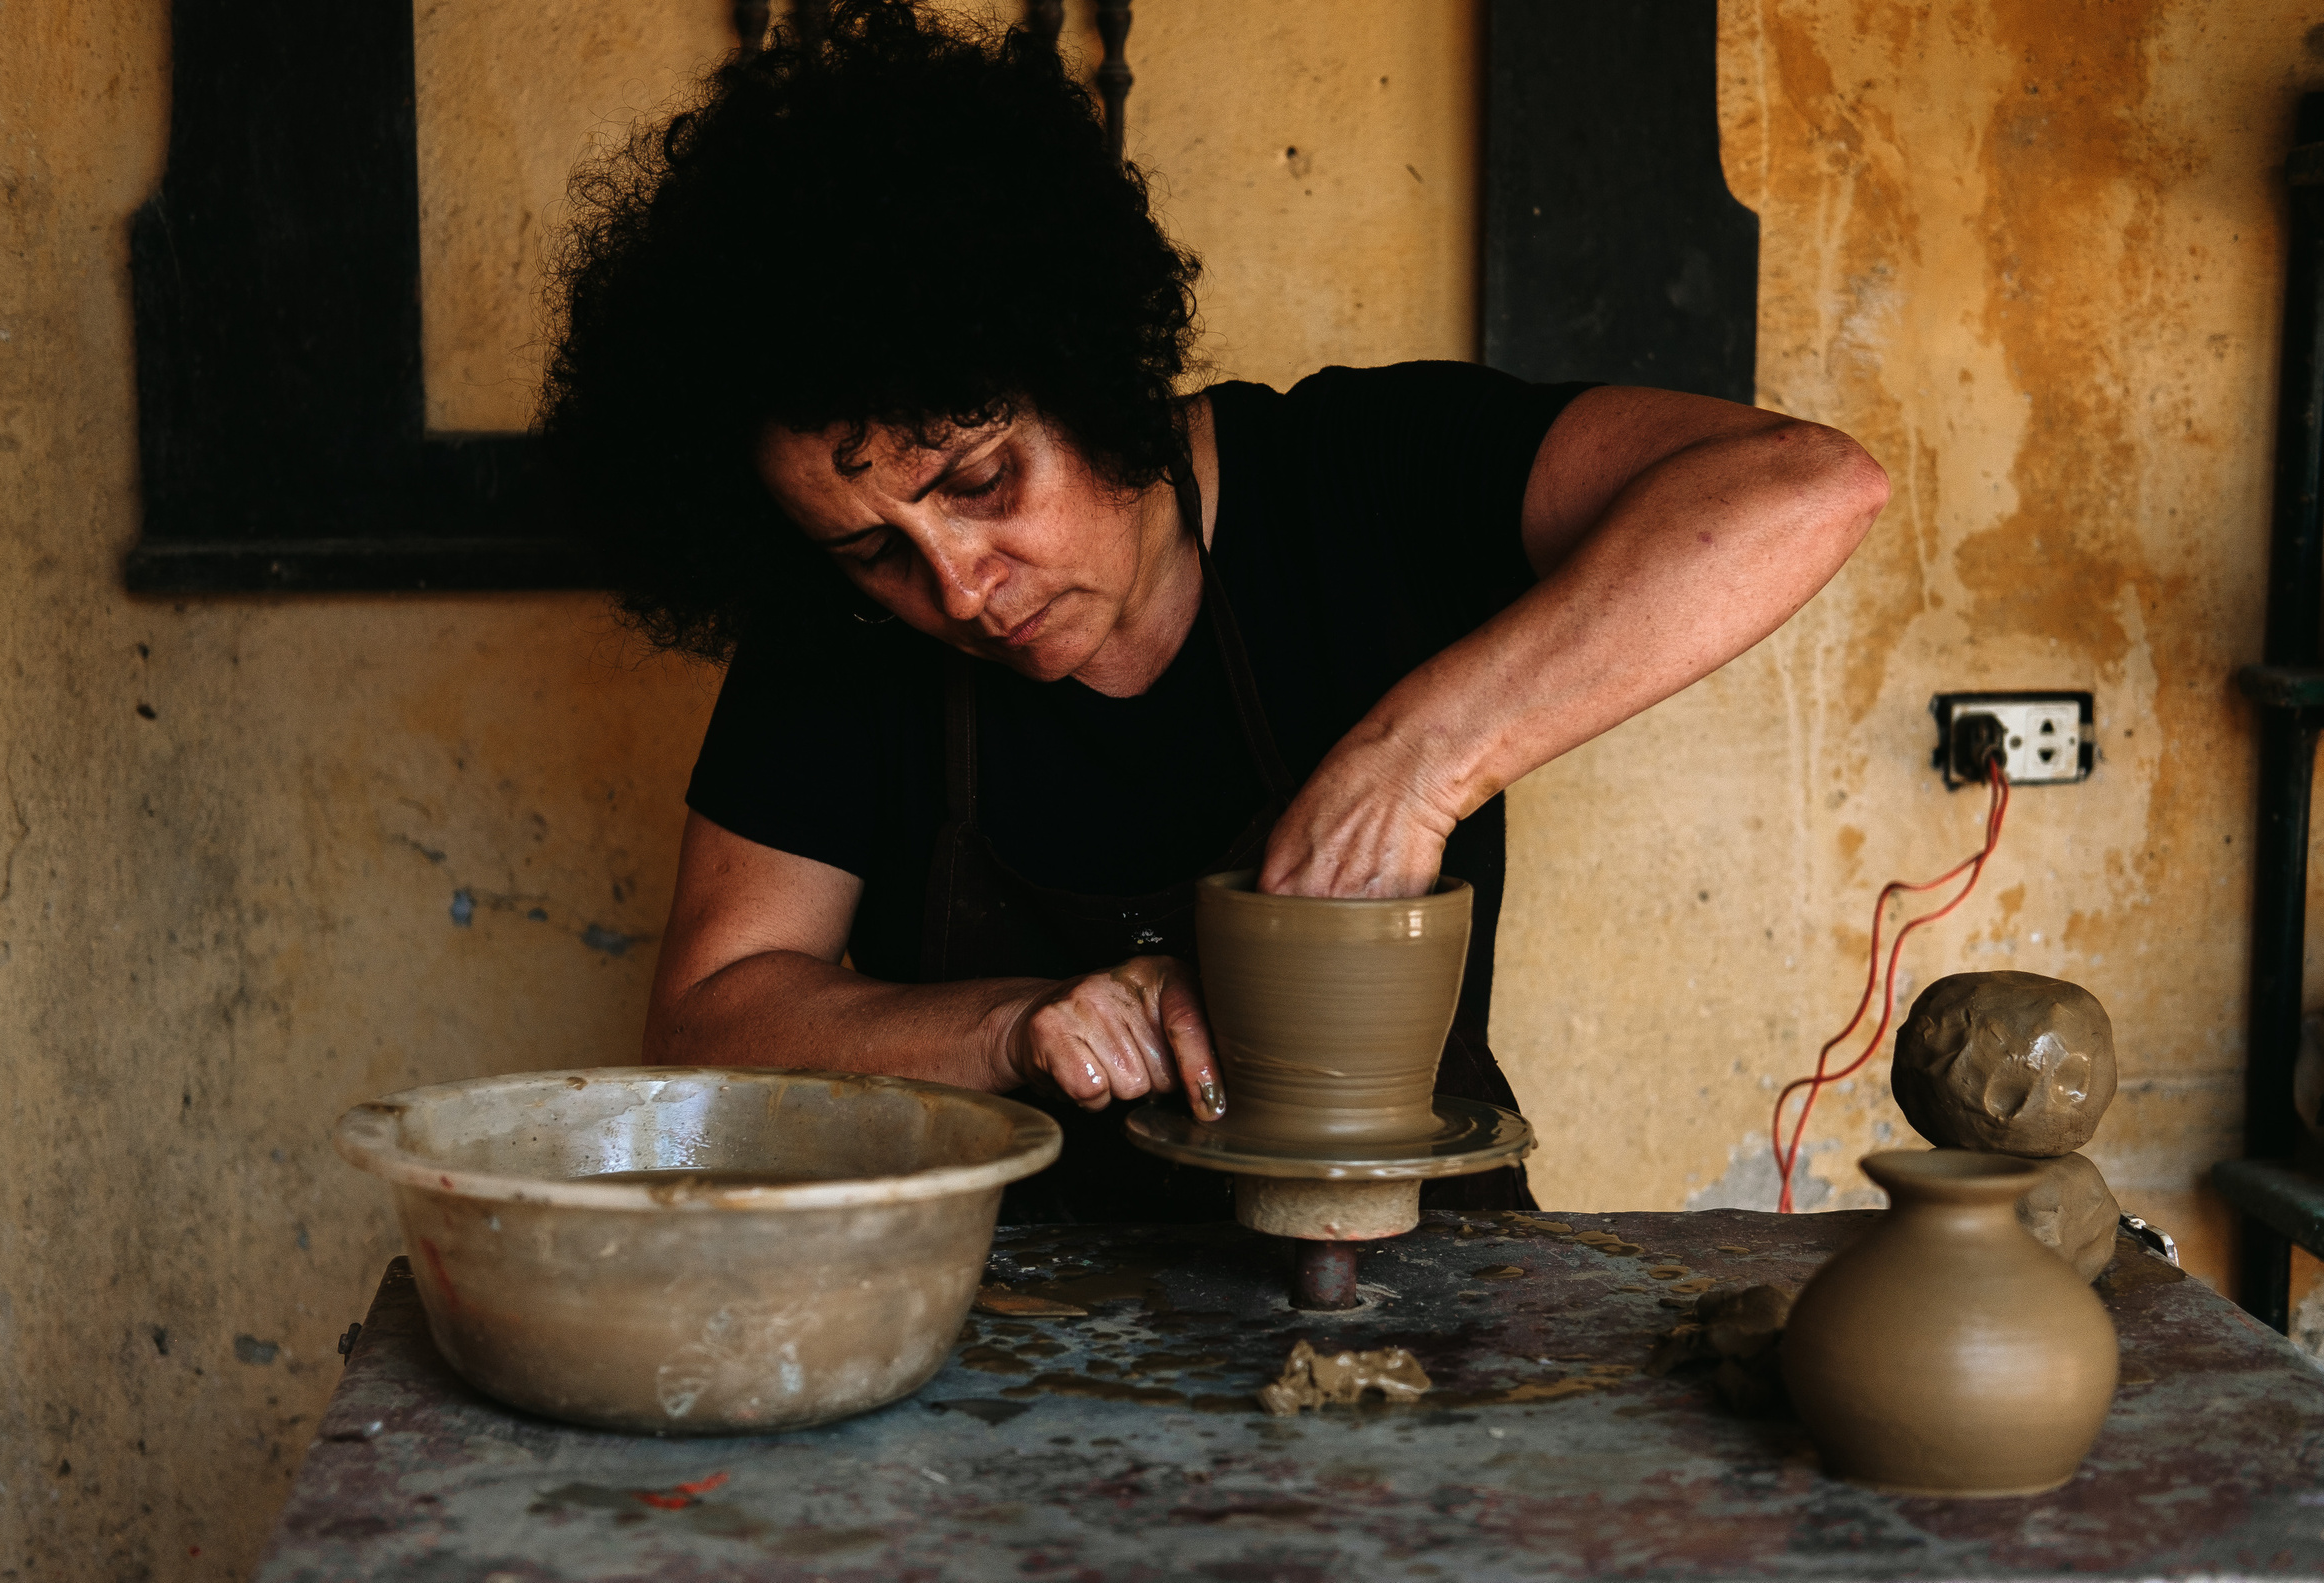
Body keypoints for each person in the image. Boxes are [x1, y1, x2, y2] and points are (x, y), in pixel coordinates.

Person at [540, 1, 1886, 1223]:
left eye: (984, 479)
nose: (953, 587)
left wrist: (1412, 768)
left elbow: (1806, 485)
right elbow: (713, 1017)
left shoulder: (1363, 476)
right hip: (1009, 1321)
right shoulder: (847, 637)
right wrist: (1018, 1027)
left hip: (1412, 1284)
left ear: (1090, 367)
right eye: (869, 551)